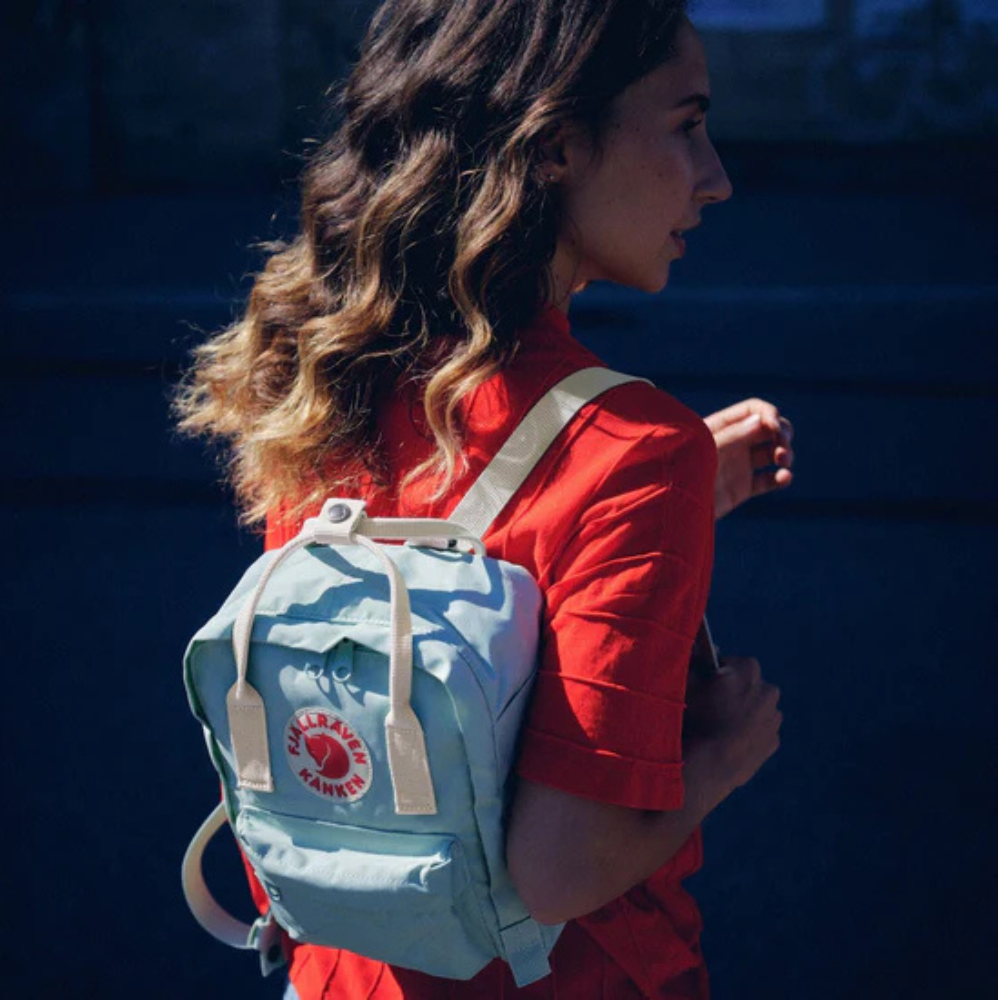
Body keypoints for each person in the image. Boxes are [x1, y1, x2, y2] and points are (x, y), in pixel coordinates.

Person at [177, 1, 792, 996]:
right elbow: (556, 869)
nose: (714, 177)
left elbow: (413, 597)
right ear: (554, 146)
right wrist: (720, 751)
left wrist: (665, 522)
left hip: (338, 972)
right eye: (685, 125)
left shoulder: (331, 375)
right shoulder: (633, 451)